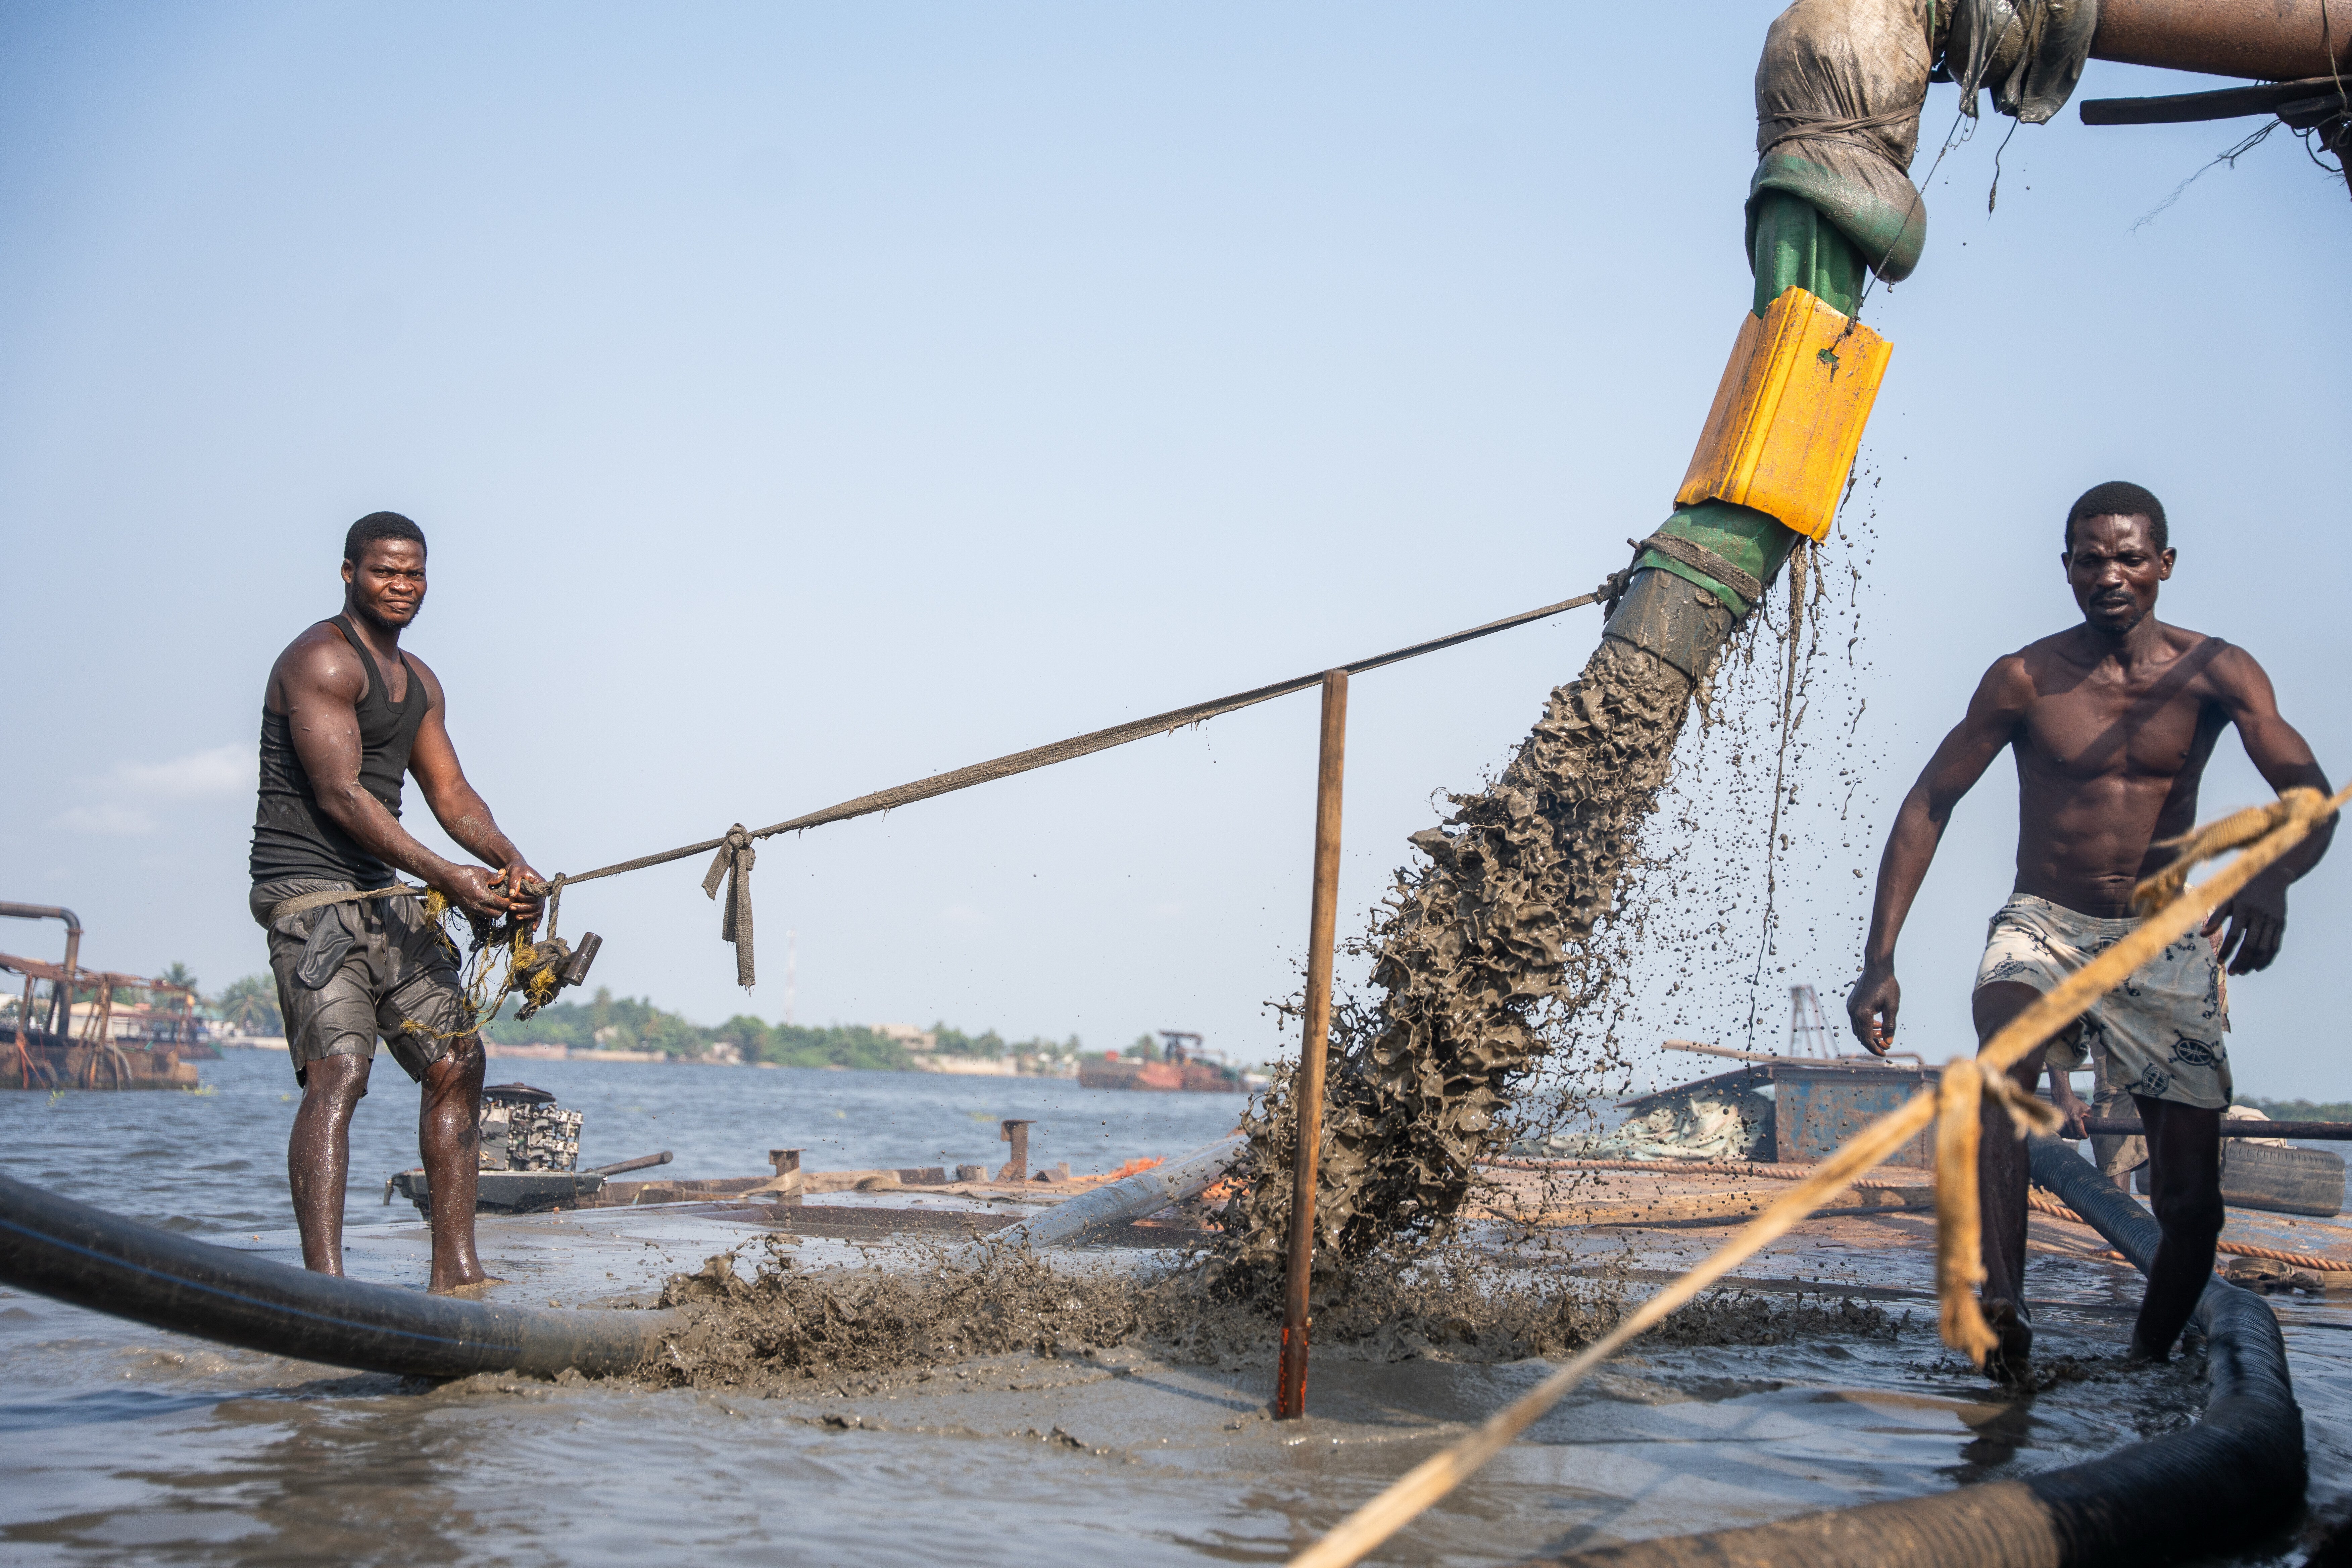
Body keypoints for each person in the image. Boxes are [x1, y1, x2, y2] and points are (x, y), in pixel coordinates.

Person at [1846, 481, 2331, 1377]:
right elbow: (1931, 800)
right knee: (2002, 1060)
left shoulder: (2217, 672)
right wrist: (1880, 957)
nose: (2109, 575)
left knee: (2191, 1206)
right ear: (2066, 568)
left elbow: (2310, 798)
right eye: (2089, 559)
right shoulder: (2025, 678)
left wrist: (2273, 876)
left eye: (2129, 557)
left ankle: (2144, 1364)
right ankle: (2005, 1308)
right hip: (2043, 924)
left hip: (2161, 940)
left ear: (2164, 566)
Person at [249, 511, 543, 1293]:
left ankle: (457, 1272)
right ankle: (328, 1289)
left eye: (414, 573)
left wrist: (513, 865)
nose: (402, 586)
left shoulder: (420, 684)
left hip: (384, 892)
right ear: (349, 573)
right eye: (385, 571)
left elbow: (450, 794)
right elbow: (342, 796)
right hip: (309, 894)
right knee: (339, 1071)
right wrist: (449, 876)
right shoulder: (319, 659)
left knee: (459, 1058)